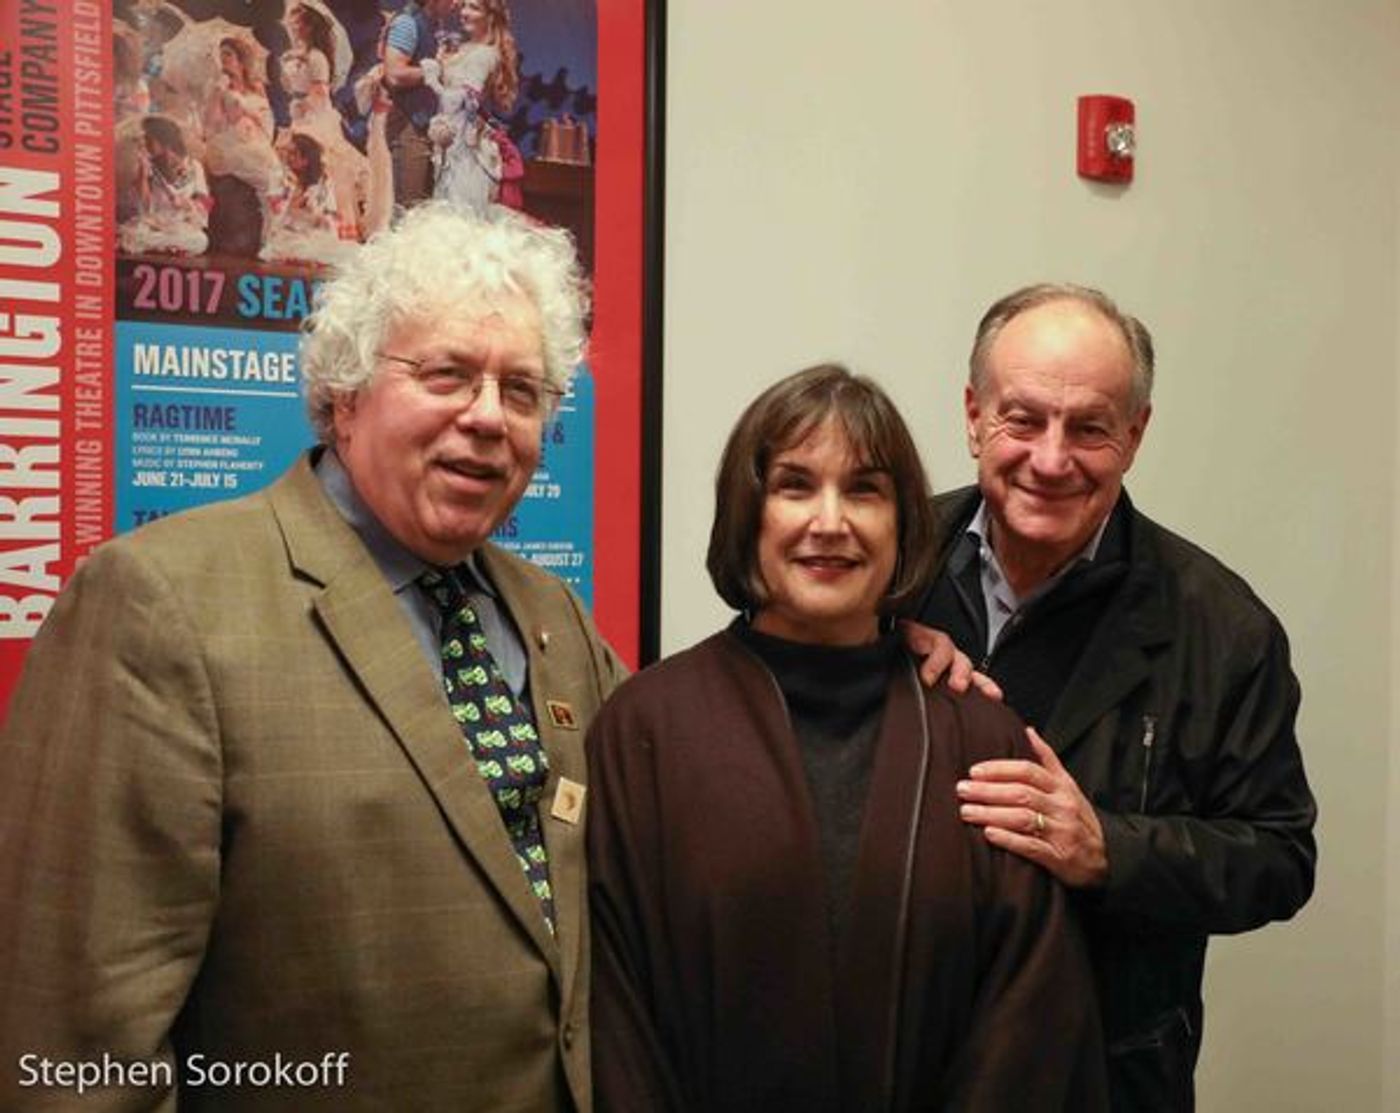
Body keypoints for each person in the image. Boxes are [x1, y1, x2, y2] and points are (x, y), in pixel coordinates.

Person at [0, 203, 624, 1110]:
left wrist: (891, 650)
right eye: (448, 374)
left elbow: (670, 813)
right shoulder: (161, 603)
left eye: (522, 390)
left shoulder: (552, 617)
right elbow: (75, 1046)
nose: (489, 417)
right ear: (346, 391)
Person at [587, 364, 1108, 1113]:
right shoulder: (645, 731)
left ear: (903, 525)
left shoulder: (979, 735)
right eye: (795, 485)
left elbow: (1032, 1024)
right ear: (748, 513)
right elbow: (615, 1012)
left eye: (864, 489)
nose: (829, 522)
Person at [912, 284, 1318, 1111]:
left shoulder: (1224, 628)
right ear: (972, 415)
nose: (1052, 459)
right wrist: (874, 646)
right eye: (1022, 418)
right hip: (901, 1058)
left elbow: (1279, 858)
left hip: (1102, 1074)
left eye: (1090, 426)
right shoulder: (888, 567)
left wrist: (1110, 848)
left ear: (1135, 434)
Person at [422, 0, 520, 215]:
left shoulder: (484, 55)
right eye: (464, 5)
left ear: (490, 16)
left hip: (467, 154)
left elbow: (463, 101)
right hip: (452, 147)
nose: (464, 12)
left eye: (474, 7)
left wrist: (431, 78)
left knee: (459, 218)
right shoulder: (465, 49)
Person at [382, 0, 459, 208]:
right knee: (408, 208)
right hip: (408, 125)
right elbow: (394, 74)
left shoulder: (434, 26)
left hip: (426, 127)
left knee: (424, 209)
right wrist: (434, 70)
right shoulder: (408, 23)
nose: (457, 3)